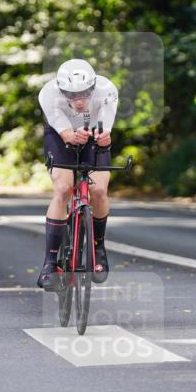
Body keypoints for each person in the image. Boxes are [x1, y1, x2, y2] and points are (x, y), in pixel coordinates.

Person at [36, 58, 118, 289]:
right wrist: (70, 136)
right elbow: (65, 132)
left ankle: (98, 248)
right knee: (63, 189)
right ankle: (50, 264)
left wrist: (104, 137)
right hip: (60, 135)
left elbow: (105, 128)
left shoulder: (107, 89)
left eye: (84, 93)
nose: (79, 101)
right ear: (61, 91)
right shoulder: (48, 93)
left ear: (93, 86)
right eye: (72, 95)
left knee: (98, 190)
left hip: (94, 135)